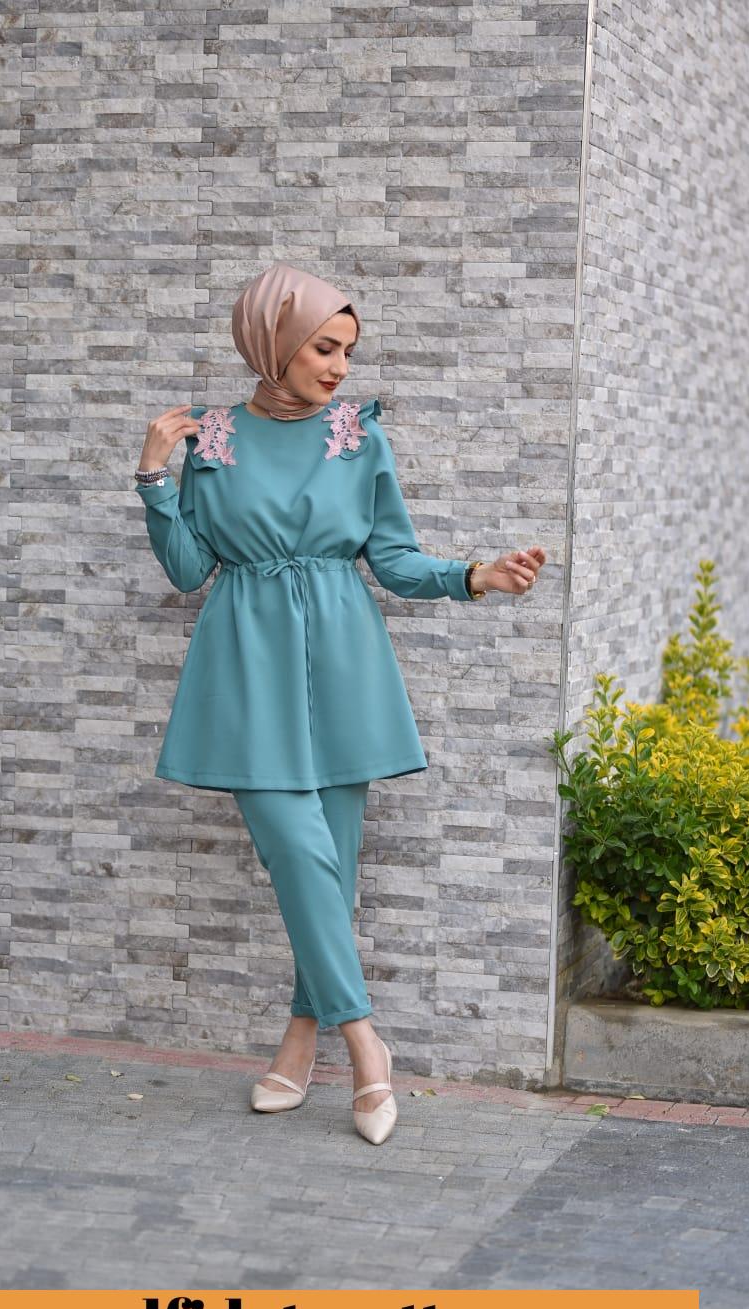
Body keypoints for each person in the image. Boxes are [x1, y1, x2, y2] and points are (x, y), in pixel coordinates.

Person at [134, 261, 547, 1145]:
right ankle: (366, 1047)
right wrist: (154, 481)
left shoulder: (358, 438)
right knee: (297, 852)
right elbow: (189, 571)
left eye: (347, 351)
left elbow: (392, 560)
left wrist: (477, 576)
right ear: (274, 342)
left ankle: (298, 1042)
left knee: (329, 869)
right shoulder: (212, 440)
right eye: (324, 348)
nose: (340, 368)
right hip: (247, 663)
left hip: (345, 658)